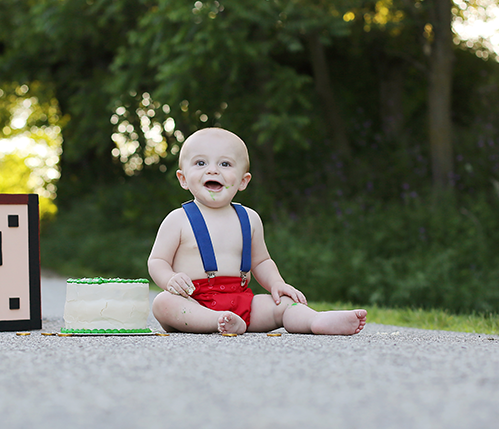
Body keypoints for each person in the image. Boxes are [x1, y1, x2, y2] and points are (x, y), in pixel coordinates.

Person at [148, 127, 367, 335]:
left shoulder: (249, 219)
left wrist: (277, 284)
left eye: (225, 164)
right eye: (201, 163)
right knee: (163, 303)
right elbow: (157, 261)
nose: (212, 170)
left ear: (243, 181)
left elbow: (261, 262)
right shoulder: (178, 219)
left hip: (242, 302)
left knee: (283, 304)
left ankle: (316, 321)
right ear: (183, 179)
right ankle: (216, 321)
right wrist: (170, 279)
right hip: (192, 301)